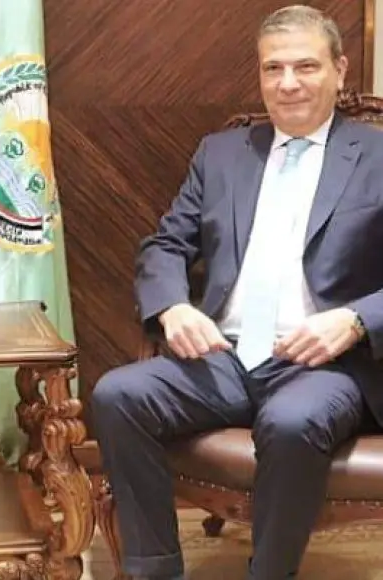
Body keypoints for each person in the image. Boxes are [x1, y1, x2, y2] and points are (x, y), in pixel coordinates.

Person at [89, 5, 383, 580]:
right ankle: (154, 571)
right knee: (117, 395)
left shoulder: (377, 156)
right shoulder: (221, 154)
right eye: (273, 68)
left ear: (340, 70)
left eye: (306, 66)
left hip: (323, 365)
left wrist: (353, 320)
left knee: (293, 422)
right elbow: (164, 244)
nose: (288, 83)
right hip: (223, 356)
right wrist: (173, 307)